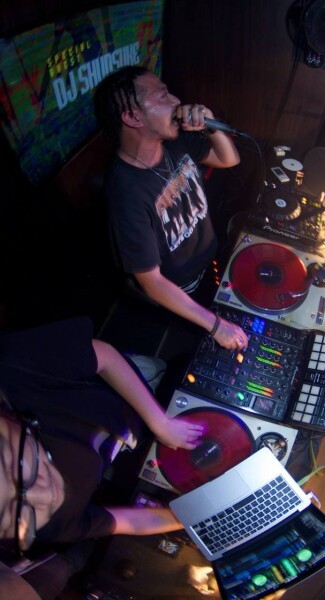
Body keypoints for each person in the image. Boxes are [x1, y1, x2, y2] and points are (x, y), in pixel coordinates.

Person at [0, 317, 204, 597]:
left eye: (20, 470)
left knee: (172, 368)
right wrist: (190, 518)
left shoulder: (12, 366)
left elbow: (105, 357)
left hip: (124, 386)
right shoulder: (49, 528)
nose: (46, 496)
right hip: (131, 441)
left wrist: (161, 423)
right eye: (19, 513)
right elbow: (126, 521)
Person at [93, 66, 248, 352]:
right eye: (163, 96)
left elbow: (229, 159)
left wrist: (211, 125)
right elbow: (151, 282)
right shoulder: (125, 193)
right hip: (182, 287)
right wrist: (215, 326)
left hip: (210, 259)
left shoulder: (177, 141)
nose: (176, 101)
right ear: (132, 117)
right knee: (198, 342)